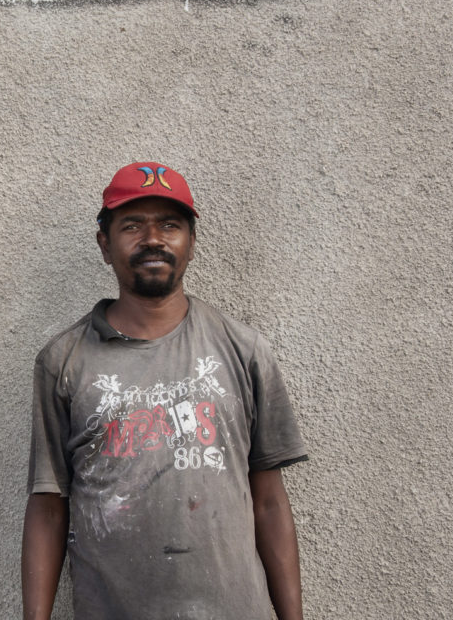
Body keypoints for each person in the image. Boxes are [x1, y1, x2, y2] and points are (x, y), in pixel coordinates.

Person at [21, 162, 308, 620]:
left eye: (170, 225)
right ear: (104, 244)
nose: (152, 239)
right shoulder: (63, 361)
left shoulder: (242, 349)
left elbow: (270, 502)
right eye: (132, 225)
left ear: (191, 243)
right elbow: (48, 506)